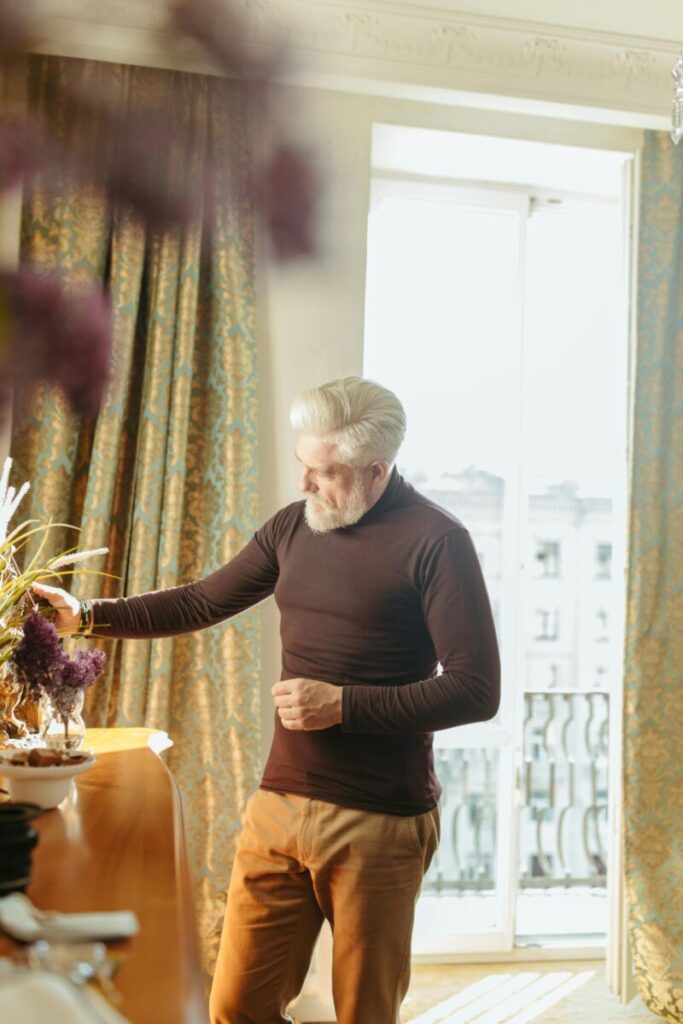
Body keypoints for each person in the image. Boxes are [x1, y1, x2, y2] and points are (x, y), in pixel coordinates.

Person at [34, 376, 501, 1024]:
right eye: (302, 466)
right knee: (234, 1009)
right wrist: (84, 615)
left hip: (377, 823)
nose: (306, 484)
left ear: (375, 468)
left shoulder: (437, 542)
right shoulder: (293, 526)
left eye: (322, 472)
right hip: (277, 807)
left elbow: (476, 690)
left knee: (364, 1014)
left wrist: (343, 705)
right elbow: (201, 600)